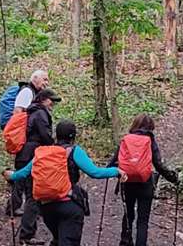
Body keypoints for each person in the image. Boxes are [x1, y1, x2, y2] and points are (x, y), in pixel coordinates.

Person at [9, 121, 119, 246]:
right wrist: (117, 171)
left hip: (46, 207)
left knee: (58, 239)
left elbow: (24, 173)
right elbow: (95, 172)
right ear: (73, 136)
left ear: (56, 135)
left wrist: (10, 175)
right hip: (69, 205)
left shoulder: (44, 153)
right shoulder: (74, 151)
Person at [107, 115, 181, 246]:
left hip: (127, 182)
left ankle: (125, 242)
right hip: (145, 183)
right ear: (150, 127)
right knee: (143, 220)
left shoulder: (126, 139)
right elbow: (158, 165)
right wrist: (173, 178)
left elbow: (112, 163)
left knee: (128, 214)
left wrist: (115, 171)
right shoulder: (150, 141)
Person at [10, 88, 62, 244]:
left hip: (24, 155)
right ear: (43, 99)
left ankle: (26, 232)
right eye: (51, 101)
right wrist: (56, 146)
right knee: (33, 196)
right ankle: (27, 235)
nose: (53, 104)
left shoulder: (33, 111)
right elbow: (46, 136)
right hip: (31, 156)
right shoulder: (40, 113)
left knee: (30, 194)